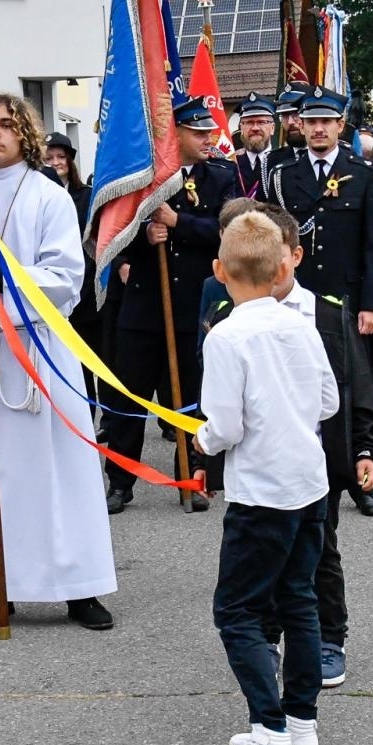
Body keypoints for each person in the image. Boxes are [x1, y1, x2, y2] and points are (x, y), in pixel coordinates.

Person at [0, 91, 118, 629]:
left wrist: (1, 278)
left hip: (39, 354)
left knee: (60, 472)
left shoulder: (48, 196)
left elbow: (64, 276)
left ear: (25, 135)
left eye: (6, 125)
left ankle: (80, 587)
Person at [195, 200, 373, 690]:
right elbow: (317, 402)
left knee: (286, 579)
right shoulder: (254, 320)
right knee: (284, 582)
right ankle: (289, 687)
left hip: (291, 475)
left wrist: (364, 449)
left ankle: (316, 656)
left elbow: (351, 390)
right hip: (291, 472)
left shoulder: (316, 315)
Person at [192, 212, 339, 745]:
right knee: (298, 598)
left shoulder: (226, 334)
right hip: (310, 483)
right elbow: (327, 402)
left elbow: (224, 427)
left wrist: (200, 437)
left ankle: (269, 733)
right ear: (282, 267)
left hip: (263, 493)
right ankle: (300, 724)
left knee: (237, 610)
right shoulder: (301, 321)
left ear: (219, 271)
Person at [103, 96, 233, 515]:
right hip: (143, 308)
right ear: (172, 136)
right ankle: (120, 482)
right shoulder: (141, 181)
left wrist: (179, 224)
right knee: (128, 401)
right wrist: (145, 238)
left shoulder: (221, 177)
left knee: (193, 401)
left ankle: (195, 476)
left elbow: (228, 231)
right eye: (197, 132)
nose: (207, 138)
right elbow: (112, 233)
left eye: (208, 131)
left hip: (194, 310)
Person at [268, 86, 373, 513]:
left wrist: (372, 304)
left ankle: (363, 482)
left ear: (341, 125)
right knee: (300, 387)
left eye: (326, 122)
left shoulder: (366, 173)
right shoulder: (282, 174)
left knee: (352, 388)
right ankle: (304, 478)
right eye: (310, 121)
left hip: (346, 302)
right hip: (297, 299)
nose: (318, 129)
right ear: (300, 124)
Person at [45, 131, 102, 411]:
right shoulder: (40, 194)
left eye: (61, 157)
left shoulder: (86, 195)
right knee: (69, 360)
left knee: (93, 355)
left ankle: (101, 415)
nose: (56, 162)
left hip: (86, 285)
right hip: (53, 289)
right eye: (50, 158)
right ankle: (79, 412)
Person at [233, 92, 277, 202]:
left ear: (272, 128)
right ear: (241, 128)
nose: (255, 128)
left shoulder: (283, 164)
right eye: (249, 122)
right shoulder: (232, 165)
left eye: (261, 122)